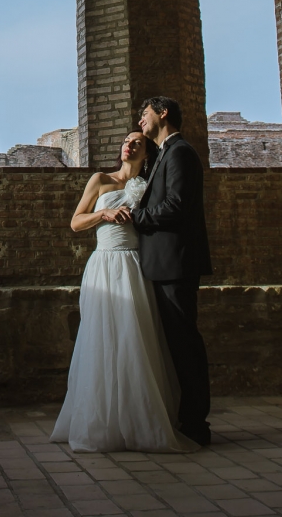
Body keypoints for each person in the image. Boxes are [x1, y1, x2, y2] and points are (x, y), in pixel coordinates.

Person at [51, 131, 198, 453]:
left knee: (136, 338)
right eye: (127, 142)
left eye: (138, 143)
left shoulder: (149, 187)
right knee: (100, 338)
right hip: (103, 264)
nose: (129, 146)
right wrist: (103, 214)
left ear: (147, 153)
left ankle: (139, 419)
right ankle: (100, 420)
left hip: (135, 266)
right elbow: (76, 222)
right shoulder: (100, 179)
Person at [132, 96, 213, 446]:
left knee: (184, 344)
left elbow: (177, 206)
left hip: (176, 264)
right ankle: (186, 417)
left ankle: (197, 424)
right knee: (177, 344)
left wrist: (136, 217)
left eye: (144, 115)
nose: (140, 122)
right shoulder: (164, 153)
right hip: (164, 264)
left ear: (162, 114)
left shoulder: (180, 152)